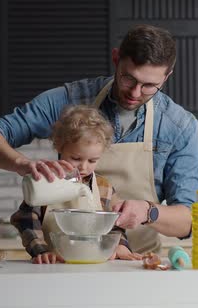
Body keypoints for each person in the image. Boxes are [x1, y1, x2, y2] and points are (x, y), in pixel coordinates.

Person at [0, 24, 198, 253]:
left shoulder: (179, 125)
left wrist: (149, 212)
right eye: (128, 78)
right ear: (115, 58)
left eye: (150, 85)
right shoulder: (69, 99)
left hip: (137, 264)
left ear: (167, 76)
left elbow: (188, 221)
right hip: (66, 260)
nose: (135, 93)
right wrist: (22, 165)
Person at [10, 105, 141, 264]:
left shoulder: (103, 186)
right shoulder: (47, 182)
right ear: (60, 147)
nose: (84, 167)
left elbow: (115, 222)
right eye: (76, 158)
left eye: (92, 160)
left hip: (95, 266)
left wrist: (120, 245)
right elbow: (25, 218)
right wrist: (40, 250)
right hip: (54, 265)